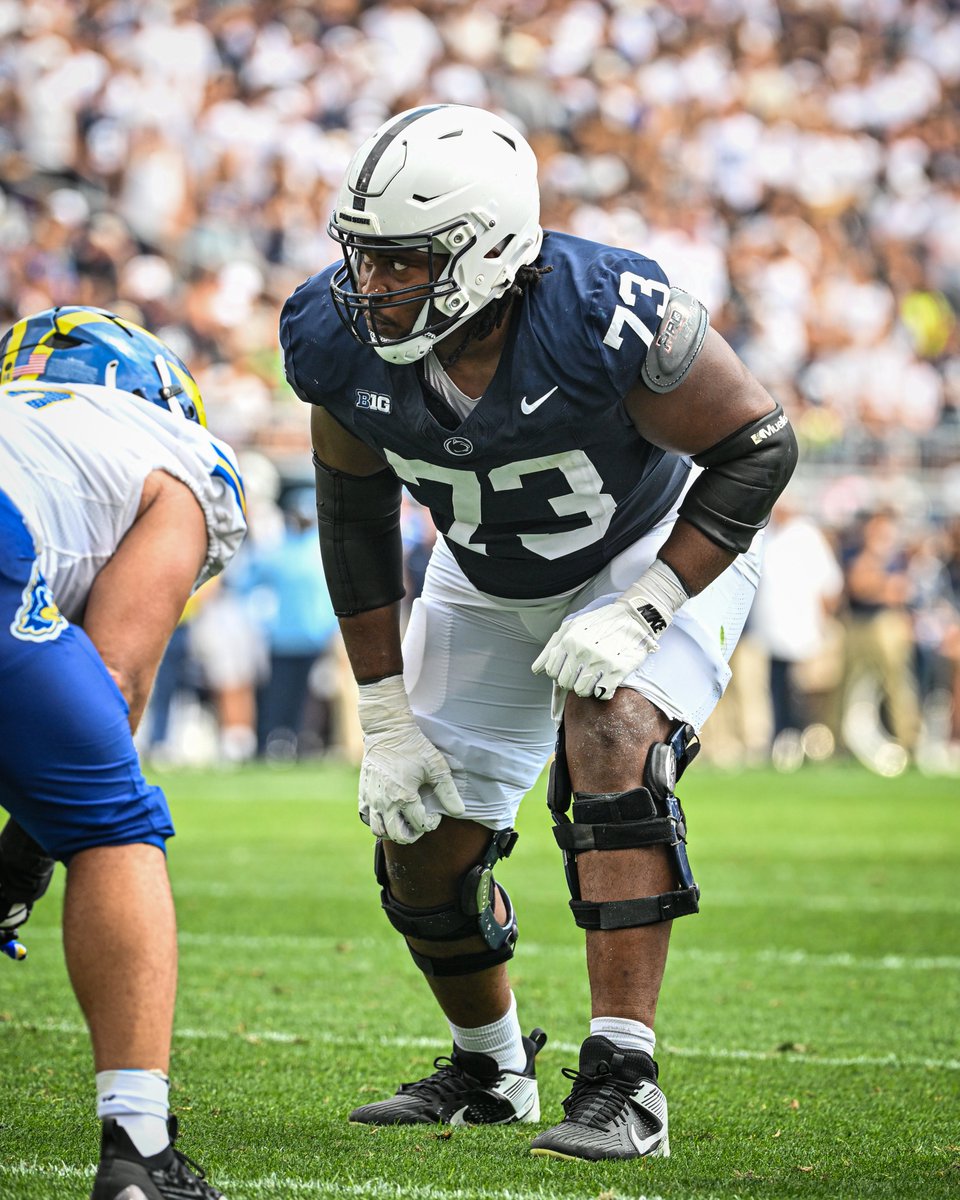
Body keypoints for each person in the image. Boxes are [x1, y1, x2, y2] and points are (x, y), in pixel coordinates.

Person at [280, 105, 798, 1161]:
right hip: (479, 570)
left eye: (403, 262)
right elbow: (354, 511)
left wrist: (650, 603)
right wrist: (382, 710)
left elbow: (758, 445)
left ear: (490, 250)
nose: (370, 286)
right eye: (363, 256)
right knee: (418, 838)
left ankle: (626, 1083)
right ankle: (492, 1070)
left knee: (611, 729)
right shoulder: (333, 338)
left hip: (650, 548)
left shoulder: (608, 311)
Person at [0, 306, 247, 1199]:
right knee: (114, 824)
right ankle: (139, 1151)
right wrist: (28, 853)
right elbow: (113, 685)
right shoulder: (167, 457)